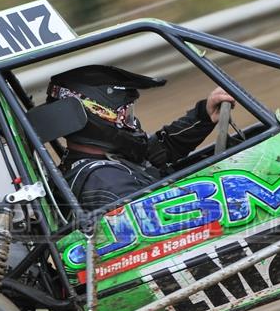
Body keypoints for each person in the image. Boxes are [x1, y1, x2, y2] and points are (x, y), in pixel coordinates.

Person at [47, 65, 235, 211]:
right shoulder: (106, 182)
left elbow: (158, 152)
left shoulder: (99, 160)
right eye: (126, 115)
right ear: (97, 116)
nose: (133, 122)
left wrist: (203, 116)